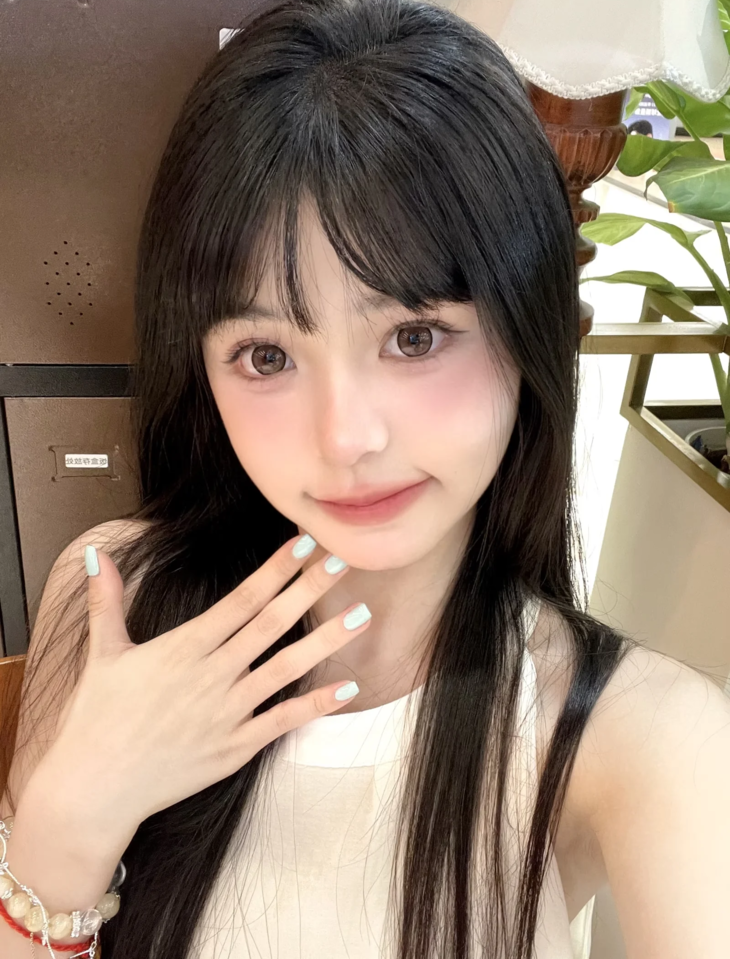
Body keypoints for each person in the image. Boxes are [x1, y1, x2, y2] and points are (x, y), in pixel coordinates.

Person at [1, 0, 729, 957]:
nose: (345, 437)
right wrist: (69, 822)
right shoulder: (111, 599)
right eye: (266, 355)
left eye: (414, 337)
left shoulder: (640, 734)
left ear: (530, 326)